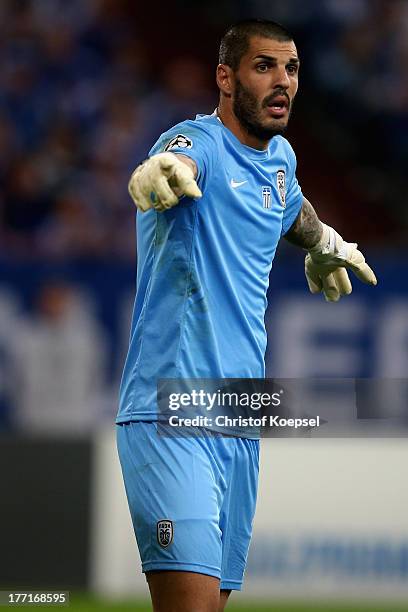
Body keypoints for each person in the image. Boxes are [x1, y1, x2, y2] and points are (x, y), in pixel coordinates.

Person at [116, 19, 377, 612]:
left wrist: (323, 242)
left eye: (291, 69)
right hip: (170, 411)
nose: (283, 81)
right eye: (265, 67)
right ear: (226, 78)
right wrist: (161, 174)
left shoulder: (279, 159)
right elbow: (171, 166)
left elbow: (290, 202)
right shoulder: (196, 143)